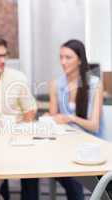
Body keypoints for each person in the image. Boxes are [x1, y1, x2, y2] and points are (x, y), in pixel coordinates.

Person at [0, 35, 38, 200]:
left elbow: (30, 110)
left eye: (4, 55)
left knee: (31, 168)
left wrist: (22, 131)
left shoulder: (17, 78)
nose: (2, 60)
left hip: (18, 140)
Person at [48, 39, 104, 200]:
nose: (63, 62)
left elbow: (93, 126)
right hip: (64, 144)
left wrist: (70, 118)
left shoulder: (95, 84)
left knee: (71, 177)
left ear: (80, 60)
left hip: (89, 146)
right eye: (61, 57)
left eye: (68, 57)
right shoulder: (55, 84)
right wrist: (51, 118)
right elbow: (54, 119)